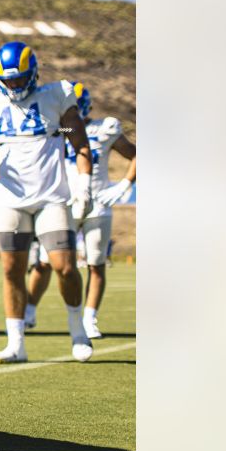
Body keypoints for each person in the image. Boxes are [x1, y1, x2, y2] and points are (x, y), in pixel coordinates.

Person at [0, 42, 94, 363]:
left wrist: (83, 186)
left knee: (65, 267)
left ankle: (78, 330)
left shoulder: (56, 97)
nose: (14, 85)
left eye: (19, 79)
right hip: (11, 200)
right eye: (8, 80)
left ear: (33, 74)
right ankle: (16, 343)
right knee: (11, 270)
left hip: (51, 198)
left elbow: (78, 139)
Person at [24, 82, 137, 338]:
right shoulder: (59, 128)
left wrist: (123, 185)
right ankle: (29, 311)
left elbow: (136, 155)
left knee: (96, 264)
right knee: (44, 261)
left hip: (98, 204)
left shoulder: (104, 128)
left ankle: (89, 318)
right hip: (64, 204)